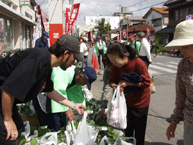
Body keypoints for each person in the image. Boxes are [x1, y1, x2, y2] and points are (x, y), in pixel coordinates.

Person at [0, 34, 86, 145]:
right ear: (66, 54)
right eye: (74, 59)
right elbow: (8, 90)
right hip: (3, 97)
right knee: (8, 138)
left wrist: (73, 105)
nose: (73, 64)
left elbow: (50, 92)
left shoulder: (47, 65)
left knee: (19, 129)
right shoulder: (39, 59)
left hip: (6, 101)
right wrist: (7, 119)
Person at [107, 43, 151, 145]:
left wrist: (129, 83)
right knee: (127, 129)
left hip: (141, 101)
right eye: (112, 62)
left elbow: (147, 82)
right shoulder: (115, 67)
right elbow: (112, 81)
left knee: (140, 130)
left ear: (125, 56)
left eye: (115, 61)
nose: (114, 64)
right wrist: (115, 86)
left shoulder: (138, 63)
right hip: (126, 102)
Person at [165, 20, 193, 145]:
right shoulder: (183, 65)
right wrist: (174, 121)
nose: (182, 51)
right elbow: (181, 96)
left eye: (185, 46)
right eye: (180, 47)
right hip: (190, 124)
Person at [48, 65, 97, 131]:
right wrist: (66, 110)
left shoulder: (77, 80)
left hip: (55, 96)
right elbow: (58, 91)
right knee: (55, 123)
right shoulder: (65, 72)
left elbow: (77, 95)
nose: (83, 85)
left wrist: (83, 112)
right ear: (81, 76)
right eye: (84, 82)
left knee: (63, 123)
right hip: (44, 92)